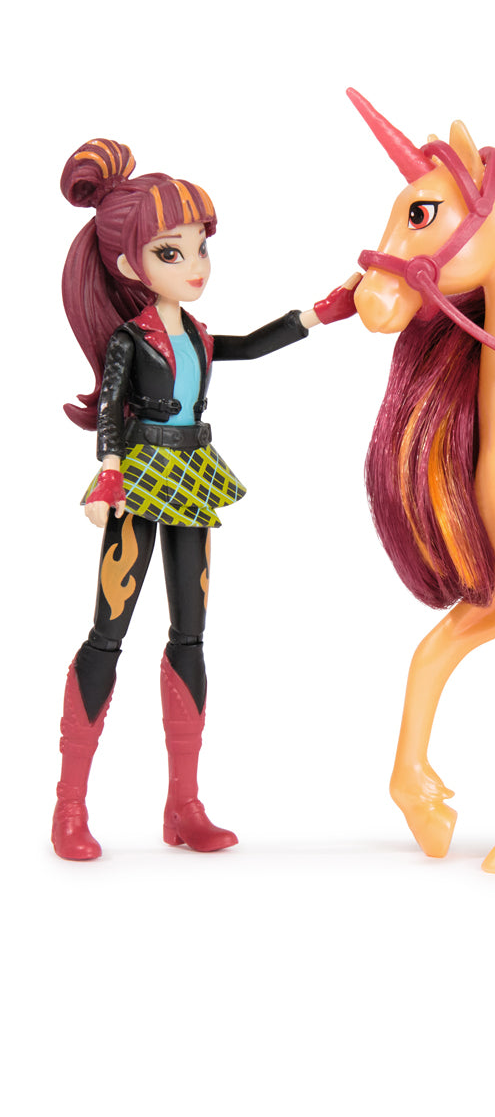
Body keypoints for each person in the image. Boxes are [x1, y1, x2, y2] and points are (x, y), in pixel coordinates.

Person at [54, 137, 358, 860]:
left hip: (192, 476)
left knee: (189, 635)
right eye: (172, 252)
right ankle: (70, 807)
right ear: (129, 266)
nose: (194, 265)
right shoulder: (130, 339)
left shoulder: (195, 333)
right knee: (108, 632)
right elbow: (110, 410)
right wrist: (107, 472)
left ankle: (183, 806)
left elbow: (247, 345)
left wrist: (321, 313)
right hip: (140, 478)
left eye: (199, 248)